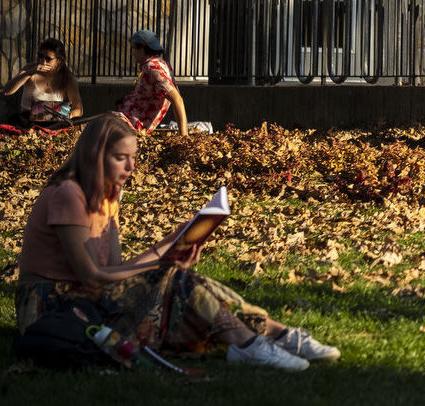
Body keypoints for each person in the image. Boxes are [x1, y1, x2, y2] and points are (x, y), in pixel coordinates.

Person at [14, 114, 337, 371]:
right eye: (120, 158)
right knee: (179, 281)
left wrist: (172, 244)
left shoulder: (108, 196)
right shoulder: (69, 194)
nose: (131, 167)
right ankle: (255, 343)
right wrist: (161, 265)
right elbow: (92, 275)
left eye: (134, 157)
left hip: (87, 296)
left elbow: (116, 269)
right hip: (53, 307)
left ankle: (267, 336)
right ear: (95, 157)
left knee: (183, 279)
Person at [115, 30, 188, 138]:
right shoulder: (155, 65)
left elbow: (177, 99)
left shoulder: (154, 69)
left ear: (142, 48)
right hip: (125, 121)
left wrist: (184, 136)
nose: (132, 53)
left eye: (134, 48)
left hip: (131, 126)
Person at [3, 38, 84, 127]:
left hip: (54, 123)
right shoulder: (30, 69)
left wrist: (66, 115)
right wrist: (29, 73)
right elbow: (7, 91)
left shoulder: (67, 78)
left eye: (48, 59)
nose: (43, 62)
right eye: (40, 56)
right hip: (27, 121)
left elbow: (78, 109)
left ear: (59, 61)